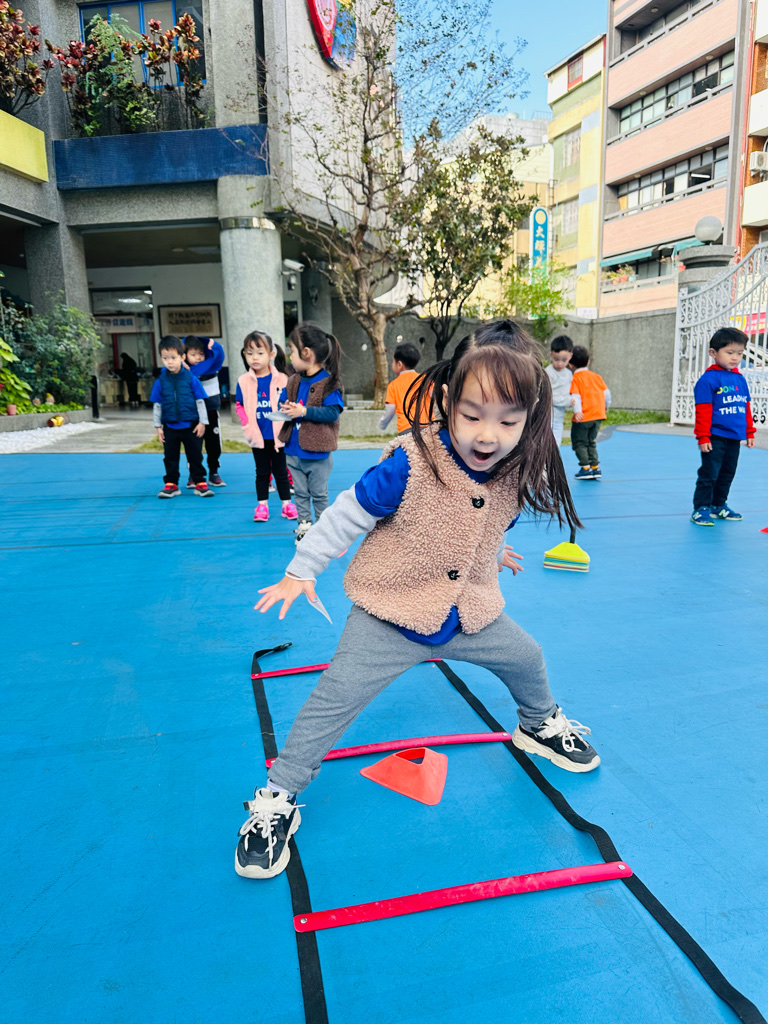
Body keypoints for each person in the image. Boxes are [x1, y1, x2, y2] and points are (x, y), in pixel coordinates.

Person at [235, 320, 600, 880]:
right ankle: (278, 796)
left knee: (527, 658)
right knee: (334, 698)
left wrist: (492, 551)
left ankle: (538, 723)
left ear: (528, 417)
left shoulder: (515, 468)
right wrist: (301, 570)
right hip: (391, 613)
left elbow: (480, 521)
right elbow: (347, 514)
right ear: (449, 401)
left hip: (468, 610)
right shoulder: (411, 463)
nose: (487, 435)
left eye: (507, 421)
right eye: (472, 416)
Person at [278, 322, 344, 544]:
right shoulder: (293, 380)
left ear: (306, 353)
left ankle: (324, 529)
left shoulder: (329, 383)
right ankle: (304, 525)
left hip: (317, 454)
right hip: (293, 449)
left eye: (292, 351)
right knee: (300, 492)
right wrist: (284, 408)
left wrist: (304, 411)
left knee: (319, 493)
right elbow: (282, 401)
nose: (290, 357)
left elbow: (332, 413)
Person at [690, 327, 755, 526]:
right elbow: (703, 411)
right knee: (710, 473)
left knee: (727, 473)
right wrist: (703, 436)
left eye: (740, 353)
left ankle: (718, 505)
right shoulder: (708, 380)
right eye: (729, 352)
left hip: (734, 437)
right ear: (713, 352)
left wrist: (749, 432)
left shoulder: (739, 379)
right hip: (715, 436)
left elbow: (745, 407)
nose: (735, 358)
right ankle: (701, 508)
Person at [235, 330, 298, 523]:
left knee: (281, 472)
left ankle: (287, 505)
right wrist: (246, 423)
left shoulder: (283, 379)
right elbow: (239, 404)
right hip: (258, 436)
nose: (254, 357)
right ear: (244, 355)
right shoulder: (243, 381)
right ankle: (262, 505)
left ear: (271, 354)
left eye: (260, 353)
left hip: (279, 437)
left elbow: (290, 402)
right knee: (262, 473)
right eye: (250, 353)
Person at [150, 336, 214, 499]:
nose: (170, 362)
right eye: (165, 358)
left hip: (191, 426)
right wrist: (158, 427)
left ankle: (200, 482)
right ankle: (171, 484)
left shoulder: (191, 379)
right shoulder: (160, 381)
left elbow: (200, 402)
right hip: (170, 427)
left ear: (182, 357)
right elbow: (157, 405)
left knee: (195, 456)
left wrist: (202, 422)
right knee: (170, 457)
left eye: (173, 357)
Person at [184, 335, 226, 487]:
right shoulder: (184, 372)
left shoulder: (213, 365)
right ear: (185, 355)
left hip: (211, 410)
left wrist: (214, 346)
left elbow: (219, 354)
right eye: (193, 354)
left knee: (213, 442)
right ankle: (194, 473)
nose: (198, 358)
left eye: (201, 354)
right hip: (192, 412)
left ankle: (214, 471)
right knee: (193, 443)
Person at [569, 345, 611, 480]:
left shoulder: (576, 378)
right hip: (598, 416)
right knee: (591, 441)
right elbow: (607, 393)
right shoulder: (597, 377)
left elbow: (575, 396)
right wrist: (605, 406)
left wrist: (577, 411)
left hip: (583, 417)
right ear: (588, 362)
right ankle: (595, 467)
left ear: (570, 365)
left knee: (579, 442)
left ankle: (585, 468)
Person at [379, 341, 424, 433]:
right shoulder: (426, 380)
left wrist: (382, 424)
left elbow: (390, 409)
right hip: (427, 427)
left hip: (406, 428)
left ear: (399, 364)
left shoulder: (394, 385)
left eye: (393, 361)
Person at [545, 335, 574, 446]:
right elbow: (548, 396)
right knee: (544, 443)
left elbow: (570, 392)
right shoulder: (548, 372)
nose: (560, 363)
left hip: (559, 418)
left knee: (556, 445)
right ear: (551, 355)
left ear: (570, 356)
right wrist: (567, 401)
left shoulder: (568, 374)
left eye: (564, 360)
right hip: (547, 417)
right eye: (556, 359)